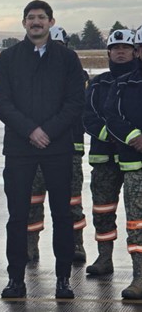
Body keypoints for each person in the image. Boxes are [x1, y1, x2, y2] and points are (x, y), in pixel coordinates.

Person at [0, 0, 85, 299]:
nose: (36, 22)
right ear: (23, 23)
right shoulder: (8, 58)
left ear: (51, 22)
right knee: (17, 216)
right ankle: (16, 279)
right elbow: (2, 101)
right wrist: (30, 130)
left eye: (41, 18)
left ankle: (63, 279)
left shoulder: (68, 58)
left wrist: (49, 131)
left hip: (57, 147)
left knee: (62, 214)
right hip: (20, 147)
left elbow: (74, 102)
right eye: (30, 18)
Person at [26, 26, 89, 263]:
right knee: (32, 200)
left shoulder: (77, 75)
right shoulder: (32, 73)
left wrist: (49, 130)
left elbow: (75, 109)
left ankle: (77, 244)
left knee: (71, 201)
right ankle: (30, 246)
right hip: (35, 147)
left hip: (68, 148)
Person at [83, 29, 136, 276]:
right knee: (103, 209)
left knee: (138, 213)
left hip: (135, 157)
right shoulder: (98, 83)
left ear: (134, 51)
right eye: (116, 48)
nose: (121, 52)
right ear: (109, 53)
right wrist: (114, 139)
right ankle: (104, 258)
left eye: (125, 48)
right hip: (104, 158)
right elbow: (89, 118)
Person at [104, 26, 142, 299]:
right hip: (135, 165)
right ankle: (140, 277)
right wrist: (134, 136)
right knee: (137, 224)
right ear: (138, 51)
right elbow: (113, 116)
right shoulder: (124, 84)